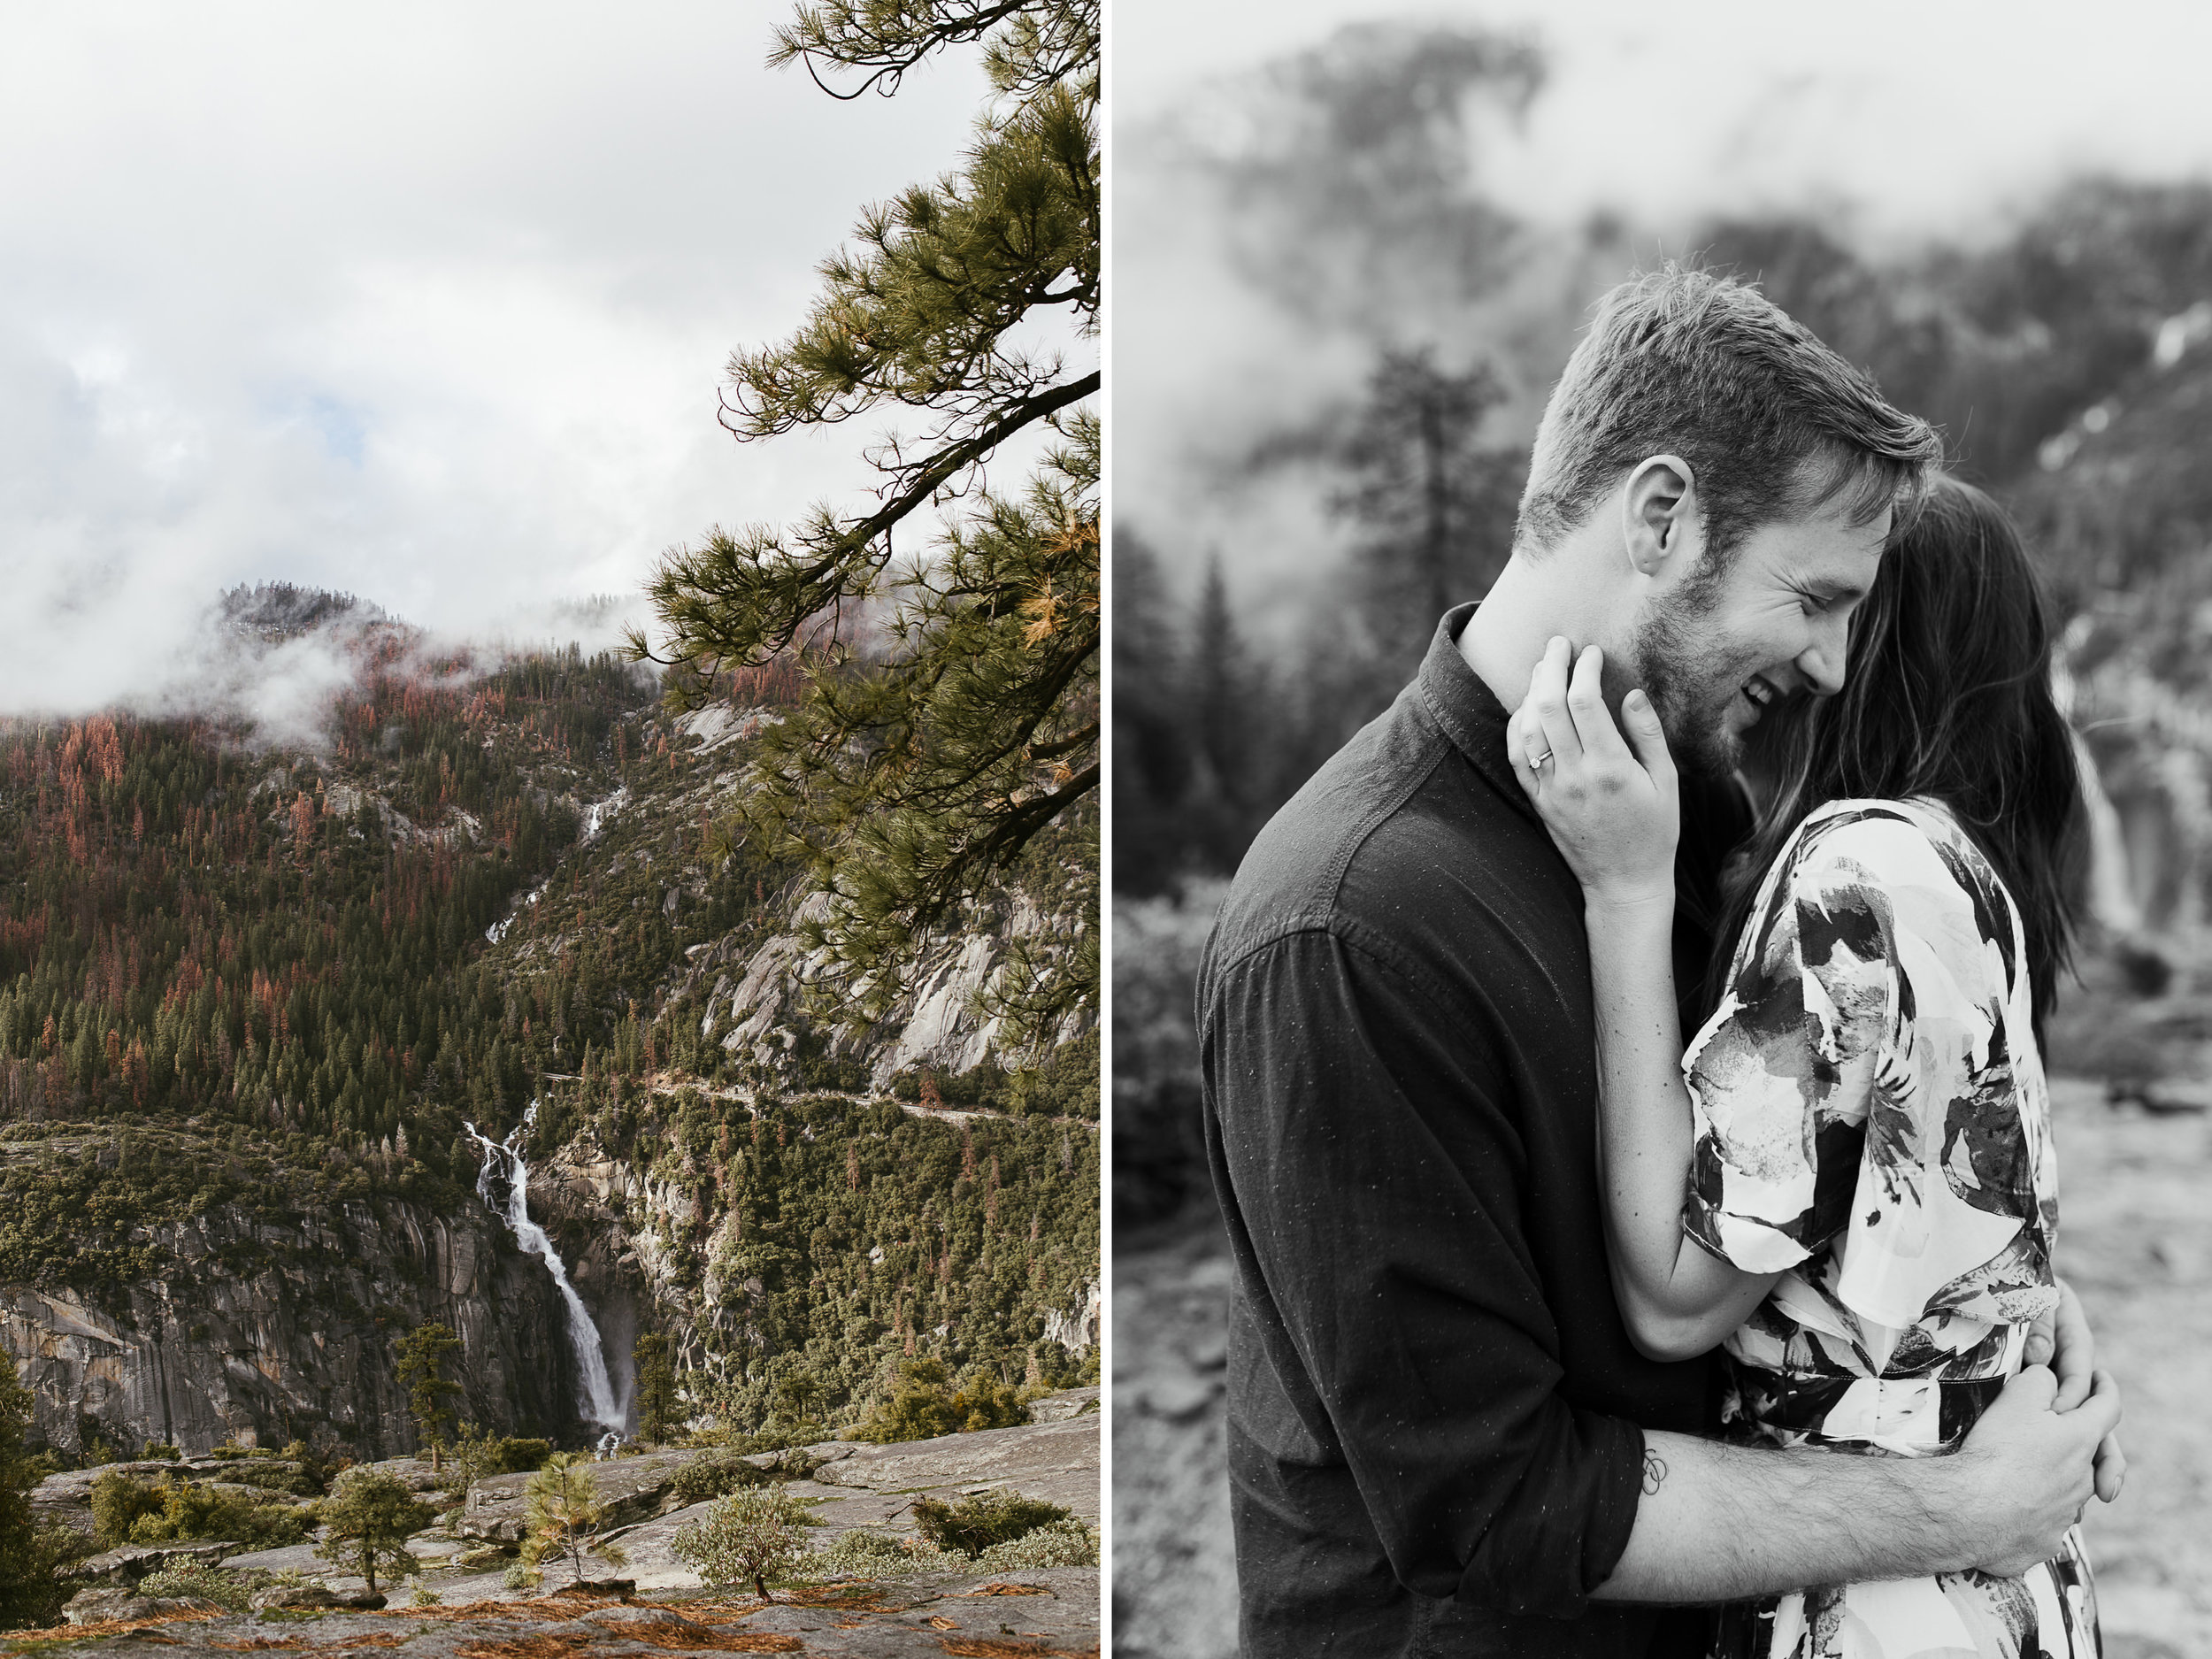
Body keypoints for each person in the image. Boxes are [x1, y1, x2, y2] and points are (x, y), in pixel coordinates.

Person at [1196, 265, 2123, 1658]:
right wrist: (1961, 1508)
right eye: (1811, 599)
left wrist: (1980, 1299)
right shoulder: (1346, 928)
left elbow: (1785, 1180)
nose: (1828, 666)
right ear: (1663, 516)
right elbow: (1494, 1504)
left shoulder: (1676, 815)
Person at [1505, 475, 2116, 1657]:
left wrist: (1624, 891)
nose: (1804, 653)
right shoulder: (1962, 870)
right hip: (1980, 1585)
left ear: (1877, 637)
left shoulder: (1857, 877)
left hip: (1885, 1592)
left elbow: (1677, 1298)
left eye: (1834, 604)